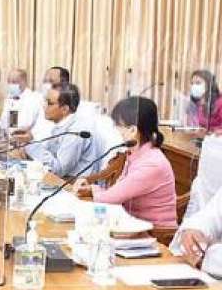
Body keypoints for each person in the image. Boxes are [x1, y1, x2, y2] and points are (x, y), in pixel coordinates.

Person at [72, 97, 177, 227]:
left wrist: (93, 190)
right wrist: (91, 189)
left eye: (118, 125)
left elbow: (113, 198)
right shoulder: (136, 153)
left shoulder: (152, 164)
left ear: (133, 130)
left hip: (155, 233)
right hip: (134, 225)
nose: (116, 129)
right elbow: (118, 190)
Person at [22, 82, 103, 177]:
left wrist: (30, 143)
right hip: (61, 179)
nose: (44, 106)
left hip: (74, 183)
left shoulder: (76, 132)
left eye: (49, 103)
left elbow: (58, 170)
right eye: (45, 101)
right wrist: (25, 148)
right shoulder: (62, 125)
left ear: (64, 109)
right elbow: (49, 155)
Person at [0, 69, 44, 134]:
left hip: (25, 137)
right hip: (9, 136)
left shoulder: (33, 99)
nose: (11, 85)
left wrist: (11, 130)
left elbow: (26, 124)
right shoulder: (10, 97)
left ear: (24, 82)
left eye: (14, 82)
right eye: (9, 82)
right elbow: (6, 121)